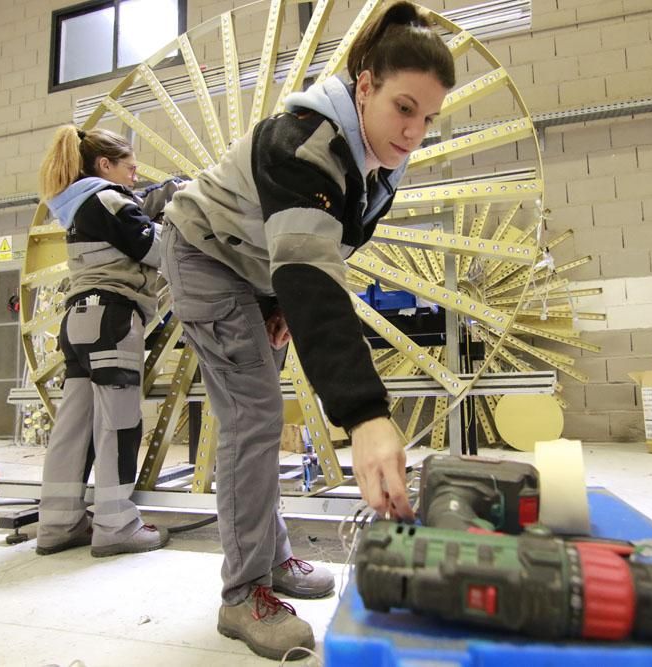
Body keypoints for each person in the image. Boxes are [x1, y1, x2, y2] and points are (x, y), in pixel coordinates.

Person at [159, 1, 455, 660]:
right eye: (404, 108)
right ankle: (243, 593)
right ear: (365, 85)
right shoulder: (302, 142)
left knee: (261, 410)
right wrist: (367, 416)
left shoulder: (380, 156)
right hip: (205, 254)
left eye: (429, 118)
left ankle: (271, 556)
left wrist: (279, 297)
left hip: (252, 265)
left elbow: (322, 247)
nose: (414, 133)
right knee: (254, 414)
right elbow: (317, 280)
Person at [35, 126, 171, 558]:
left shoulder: (76, 207)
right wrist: (176, 216)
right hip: (112, 319)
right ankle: (116, 525)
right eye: (130, 168)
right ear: (105, 165)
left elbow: (128, 226)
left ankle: (58, 524)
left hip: (78, 322)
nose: (134, 176)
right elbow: (159, 251)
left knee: (73, 427)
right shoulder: (109, 199)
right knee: (119, 423)